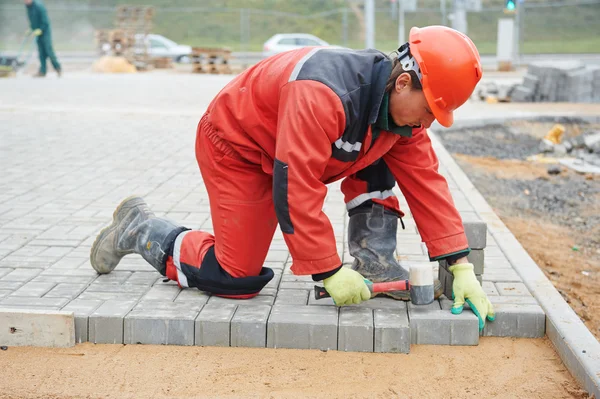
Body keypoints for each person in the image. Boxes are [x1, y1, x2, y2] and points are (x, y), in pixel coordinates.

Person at [90, 25, 495, 330]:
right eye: (430, 110)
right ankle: (141, 229)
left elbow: (427, 183)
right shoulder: (323, 94)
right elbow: (297, 187)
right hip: (239, 149)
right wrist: (328, 271)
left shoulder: (401, 116)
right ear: (403, 82)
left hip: (292, 152)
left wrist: (459, 265)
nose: (428, 123)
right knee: (237, 278)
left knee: (387, 148)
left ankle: (375, 261)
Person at [24, 0, 61, 77]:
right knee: (41, 52)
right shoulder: (28, 7)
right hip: (37, 32)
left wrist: (41, 29)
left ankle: (57, 67)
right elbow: (32, 20)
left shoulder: (39, 6)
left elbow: (45, 21)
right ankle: (42, 71)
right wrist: (31, 29)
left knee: (48, 50)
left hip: (45, 31)